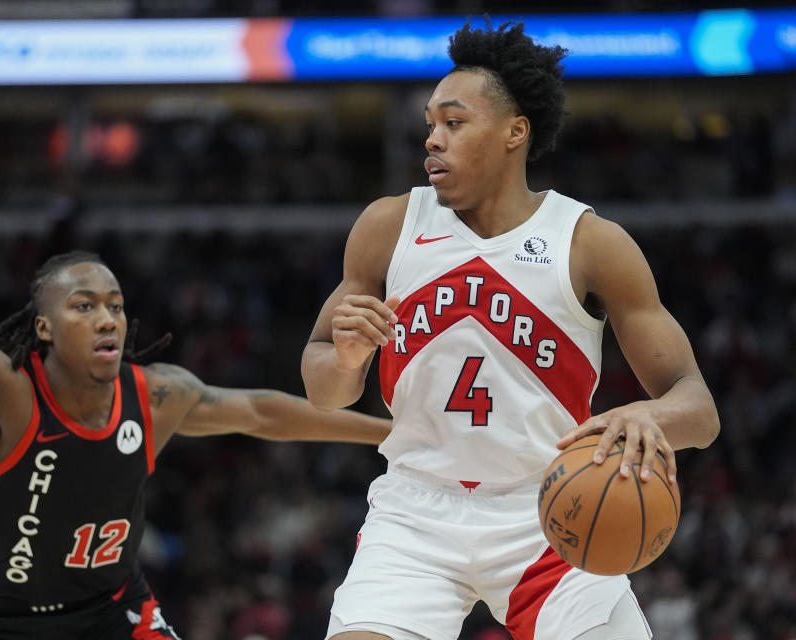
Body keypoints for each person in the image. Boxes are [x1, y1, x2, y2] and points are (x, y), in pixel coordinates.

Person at [301, 20, 719, 640]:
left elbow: (700, 409)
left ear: (514, 132)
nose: (432, 141)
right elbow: (323, 389)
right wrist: (344, 361)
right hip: (417, 511)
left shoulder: (588, 244)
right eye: (429, 125)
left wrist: (649, 417)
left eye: (453, 122)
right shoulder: (388, 227)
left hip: (550, 510)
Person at [0, 186, 392, 640]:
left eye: (114, 304)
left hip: (117, 613)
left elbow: (260, 412)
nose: (107, 318)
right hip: (9, 622)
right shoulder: (9, 391)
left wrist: (389, 432)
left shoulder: (155, 396)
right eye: (83, 306)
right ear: (44, 328)